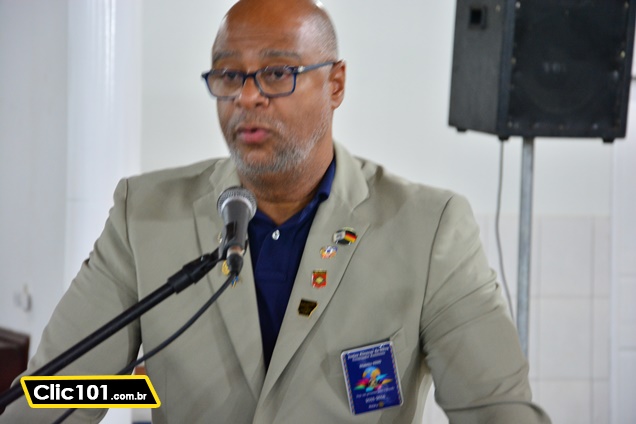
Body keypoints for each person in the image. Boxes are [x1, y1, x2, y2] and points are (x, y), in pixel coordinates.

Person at [0, 0, 552, 423]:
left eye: (277, 73)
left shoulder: (429, 229)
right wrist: (135, 390)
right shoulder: (143, 216)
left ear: (335, 84)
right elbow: (59, 395)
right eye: (228, 76)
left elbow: (494, 411)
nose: (247, 97)